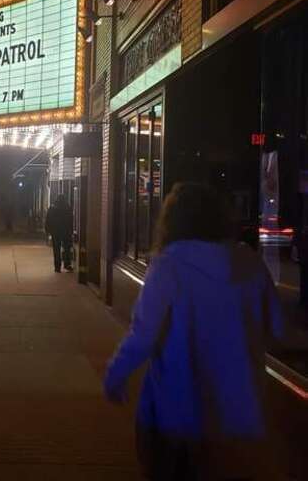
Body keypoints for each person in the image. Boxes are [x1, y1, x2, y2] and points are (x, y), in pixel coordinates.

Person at [104, 182, 283, 481]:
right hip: (240, 414)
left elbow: (144, 335)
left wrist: (115, 376)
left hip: (177, 411)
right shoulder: (250, 262)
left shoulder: (168, 266)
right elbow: (276, 327)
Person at [45, 195, 73, 272]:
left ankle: (57, 267)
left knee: (56, 250)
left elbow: (48, 220)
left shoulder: (52, 208)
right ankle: (67, 264)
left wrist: (48, 231)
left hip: (55, 232)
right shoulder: (67, 207)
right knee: (67, 249)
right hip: (66, 232)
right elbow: (71, 220)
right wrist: (71, 231)